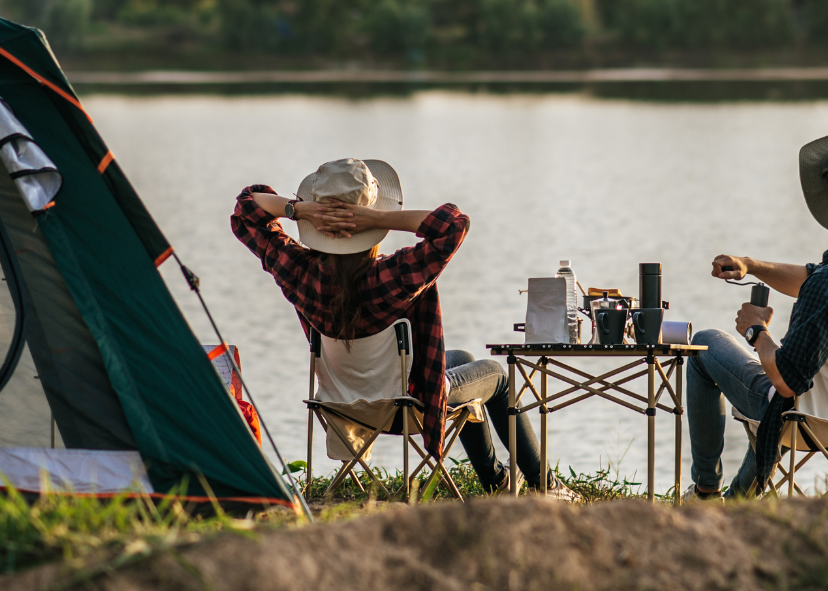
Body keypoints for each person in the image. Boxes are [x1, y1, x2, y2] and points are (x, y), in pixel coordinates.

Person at [231, 157, 573, 499]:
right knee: (497, 376)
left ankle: (498, 482)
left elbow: (247, 207)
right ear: (371, 224)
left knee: (462, 357)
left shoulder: (297, 271)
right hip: (408, 405)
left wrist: (300, 210)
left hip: (342, 404)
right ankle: (547, 487)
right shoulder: (393, 274)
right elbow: (454, 224)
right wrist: (378, 218)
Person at [686, 131, 828, 499]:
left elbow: (785, 380)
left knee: (704, 345)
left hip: (806, 420)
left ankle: (705, 492)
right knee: (791, 387)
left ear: (827, 201)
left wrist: (755, 330)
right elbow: (814, 280)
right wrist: (751, 265)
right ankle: (737, 502)